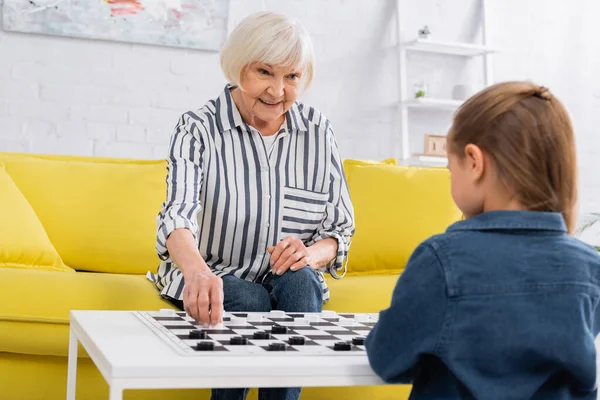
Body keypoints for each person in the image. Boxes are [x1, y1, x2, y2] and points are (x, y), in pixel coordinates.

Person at [147, 11, 355, 400]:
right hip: (215, 273)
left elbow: (339, 232)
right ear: (238, 66)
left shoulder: (318, 131)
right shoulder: (198, 128)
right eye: (264, 72)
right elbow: (178, 214)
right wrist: (196, 273)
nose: (278, 91)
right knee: (247, 298)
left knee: (301, 284)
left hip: (289, 277)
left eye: (291, 77)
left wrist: (309, 254)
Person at [365, 81, 600, 399]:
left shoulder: (441, 260)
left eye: (451, 168)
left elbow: (388, 359)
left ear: (474, 162)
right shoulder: (591, 268)